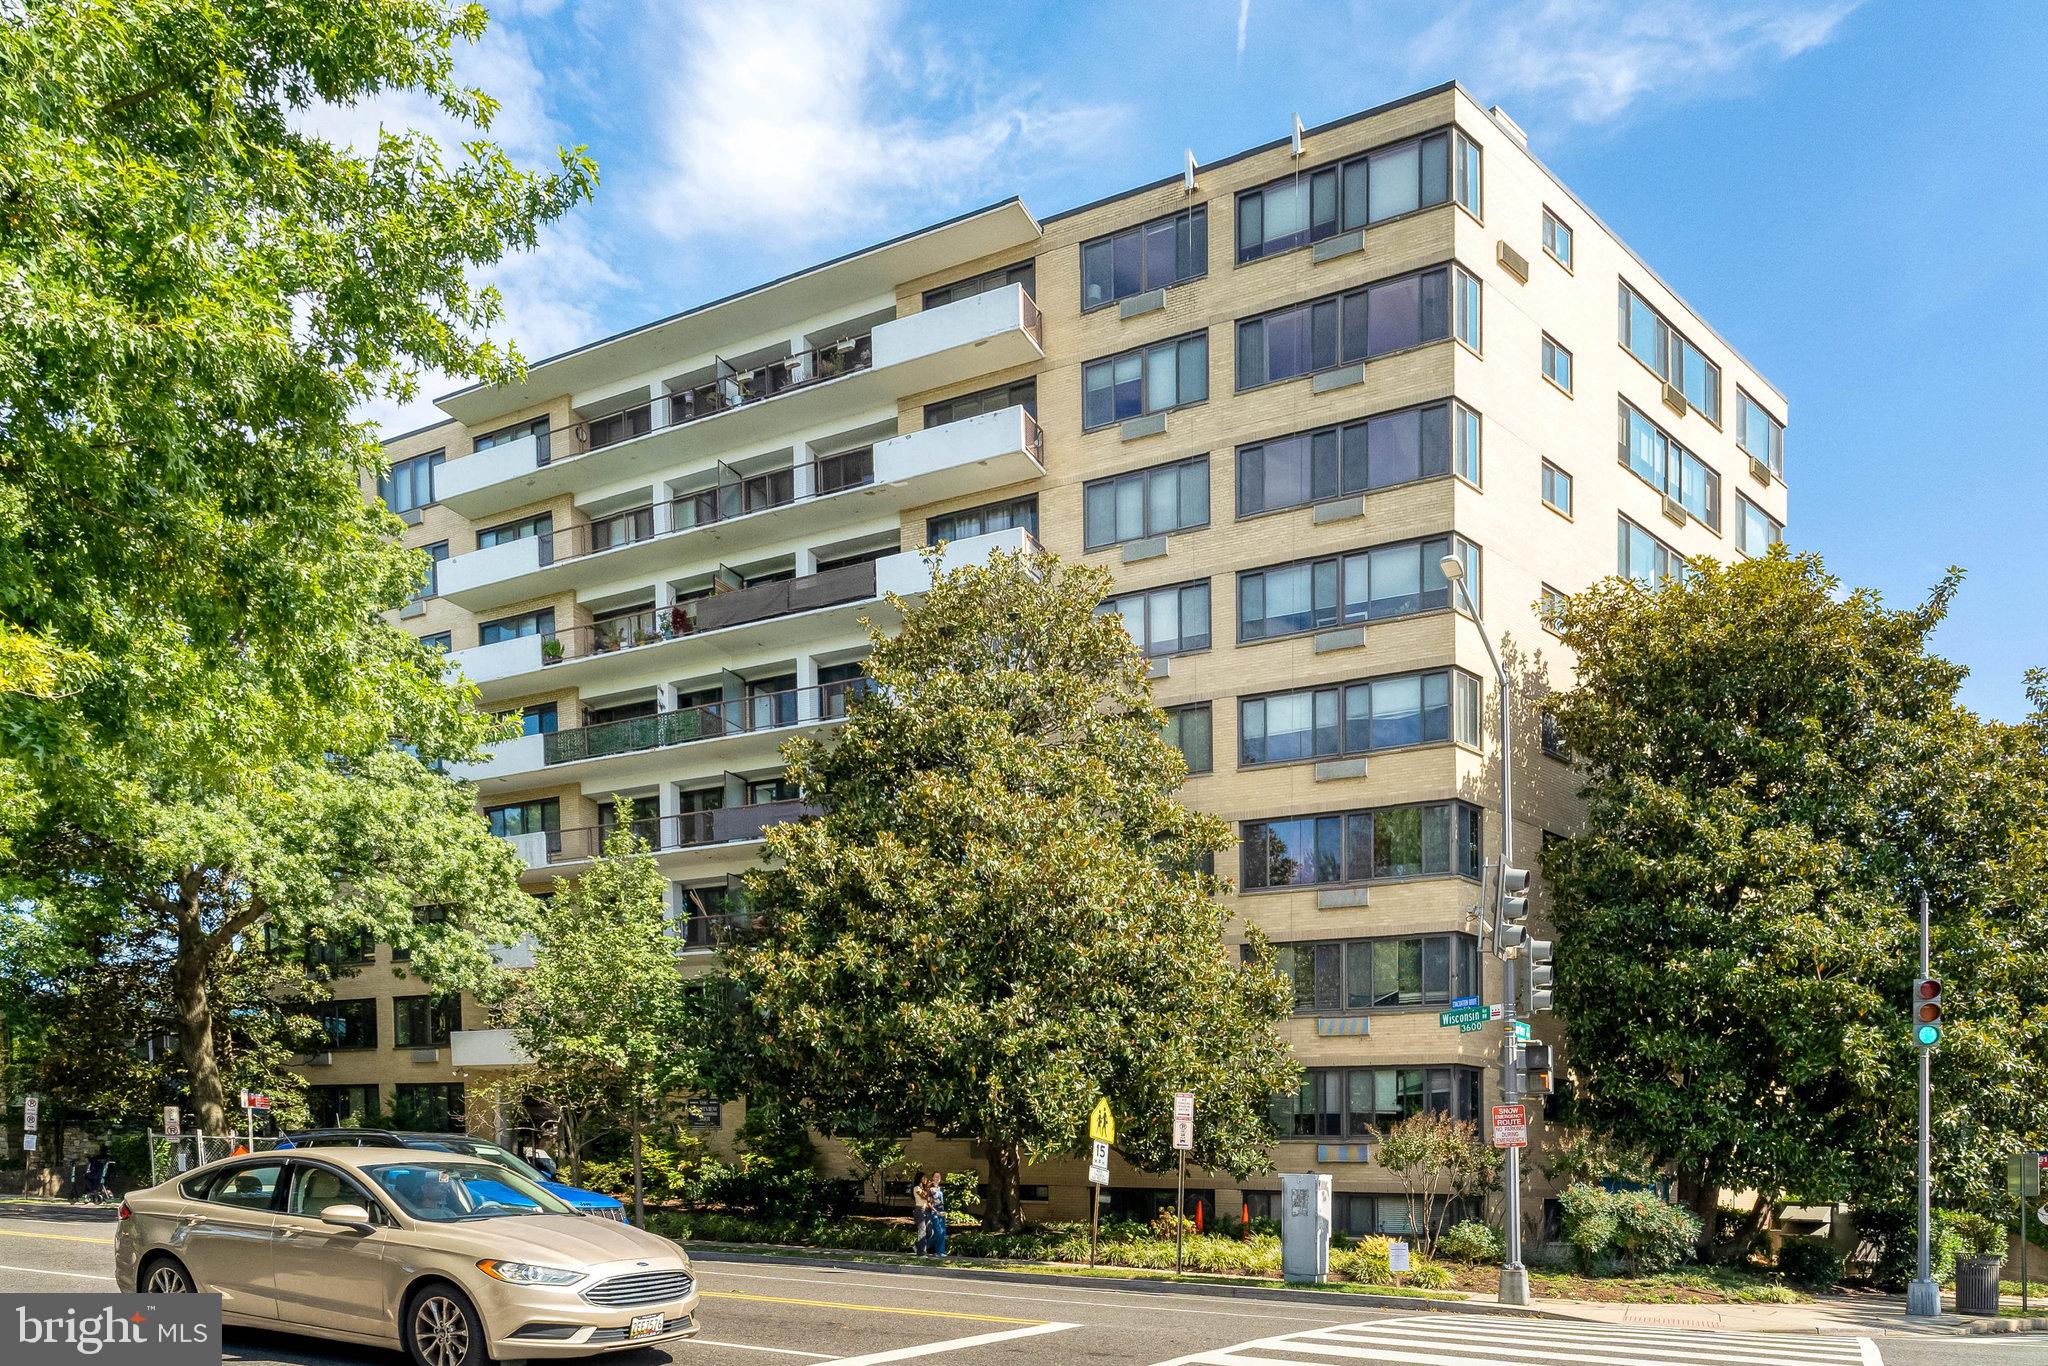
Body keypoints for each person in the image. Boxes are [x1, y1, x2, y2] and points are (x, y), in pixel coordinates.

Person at [911, 1173, 932, 1255]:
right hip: (919, 1210)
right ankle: (921, 1252)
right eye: (924, 1177)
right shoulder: (916, 1188)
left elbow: (928, 1199)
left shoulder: (923, 1188)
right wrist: (927, 1188)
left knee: (930, 1231)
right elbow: (924, 1197)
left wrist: (927, 1189)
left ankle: (917, 1246)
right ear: (920, 1179)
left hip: (926, 1210)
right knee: (922, 1231)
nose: (926, 1179)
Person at [928, 1174, 948, 1258]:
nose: (937, 1178)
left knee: (943, 1232)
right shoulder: (930, 1189)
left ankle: (941, 1252)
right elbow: (928, 1203)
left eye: (939, 1176)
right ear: (932, 1178)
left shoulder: (941, 1189)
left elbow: (942, 1201)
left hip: (942, 1212)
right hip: (934, 1212)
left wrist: (943, 1211)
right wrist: (936, 1211)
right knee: (938, 1232)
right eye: (935, 1176)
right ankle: (923, 1246)